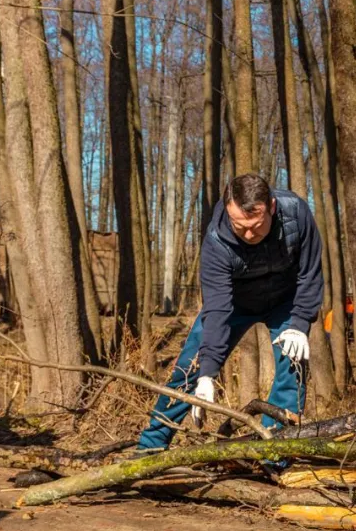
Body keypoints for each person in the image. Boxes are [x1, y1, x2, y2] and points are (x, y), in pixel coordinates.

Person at [137, 173, 324, 450]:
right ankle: (150, 447)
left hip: (285, 302)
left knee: (292, 362)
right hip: (235, 304)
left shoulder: (296, 213)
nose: (249, 234)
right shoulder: (216, 241)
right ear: (228, 210)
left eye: (257, 225)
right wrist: (207, 375)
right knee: (191, 367)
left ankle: (276, 452)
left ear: (271, 207)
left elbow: (309, 274)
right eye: (240, 226)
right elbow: (217, 308)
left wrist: (300, 322)